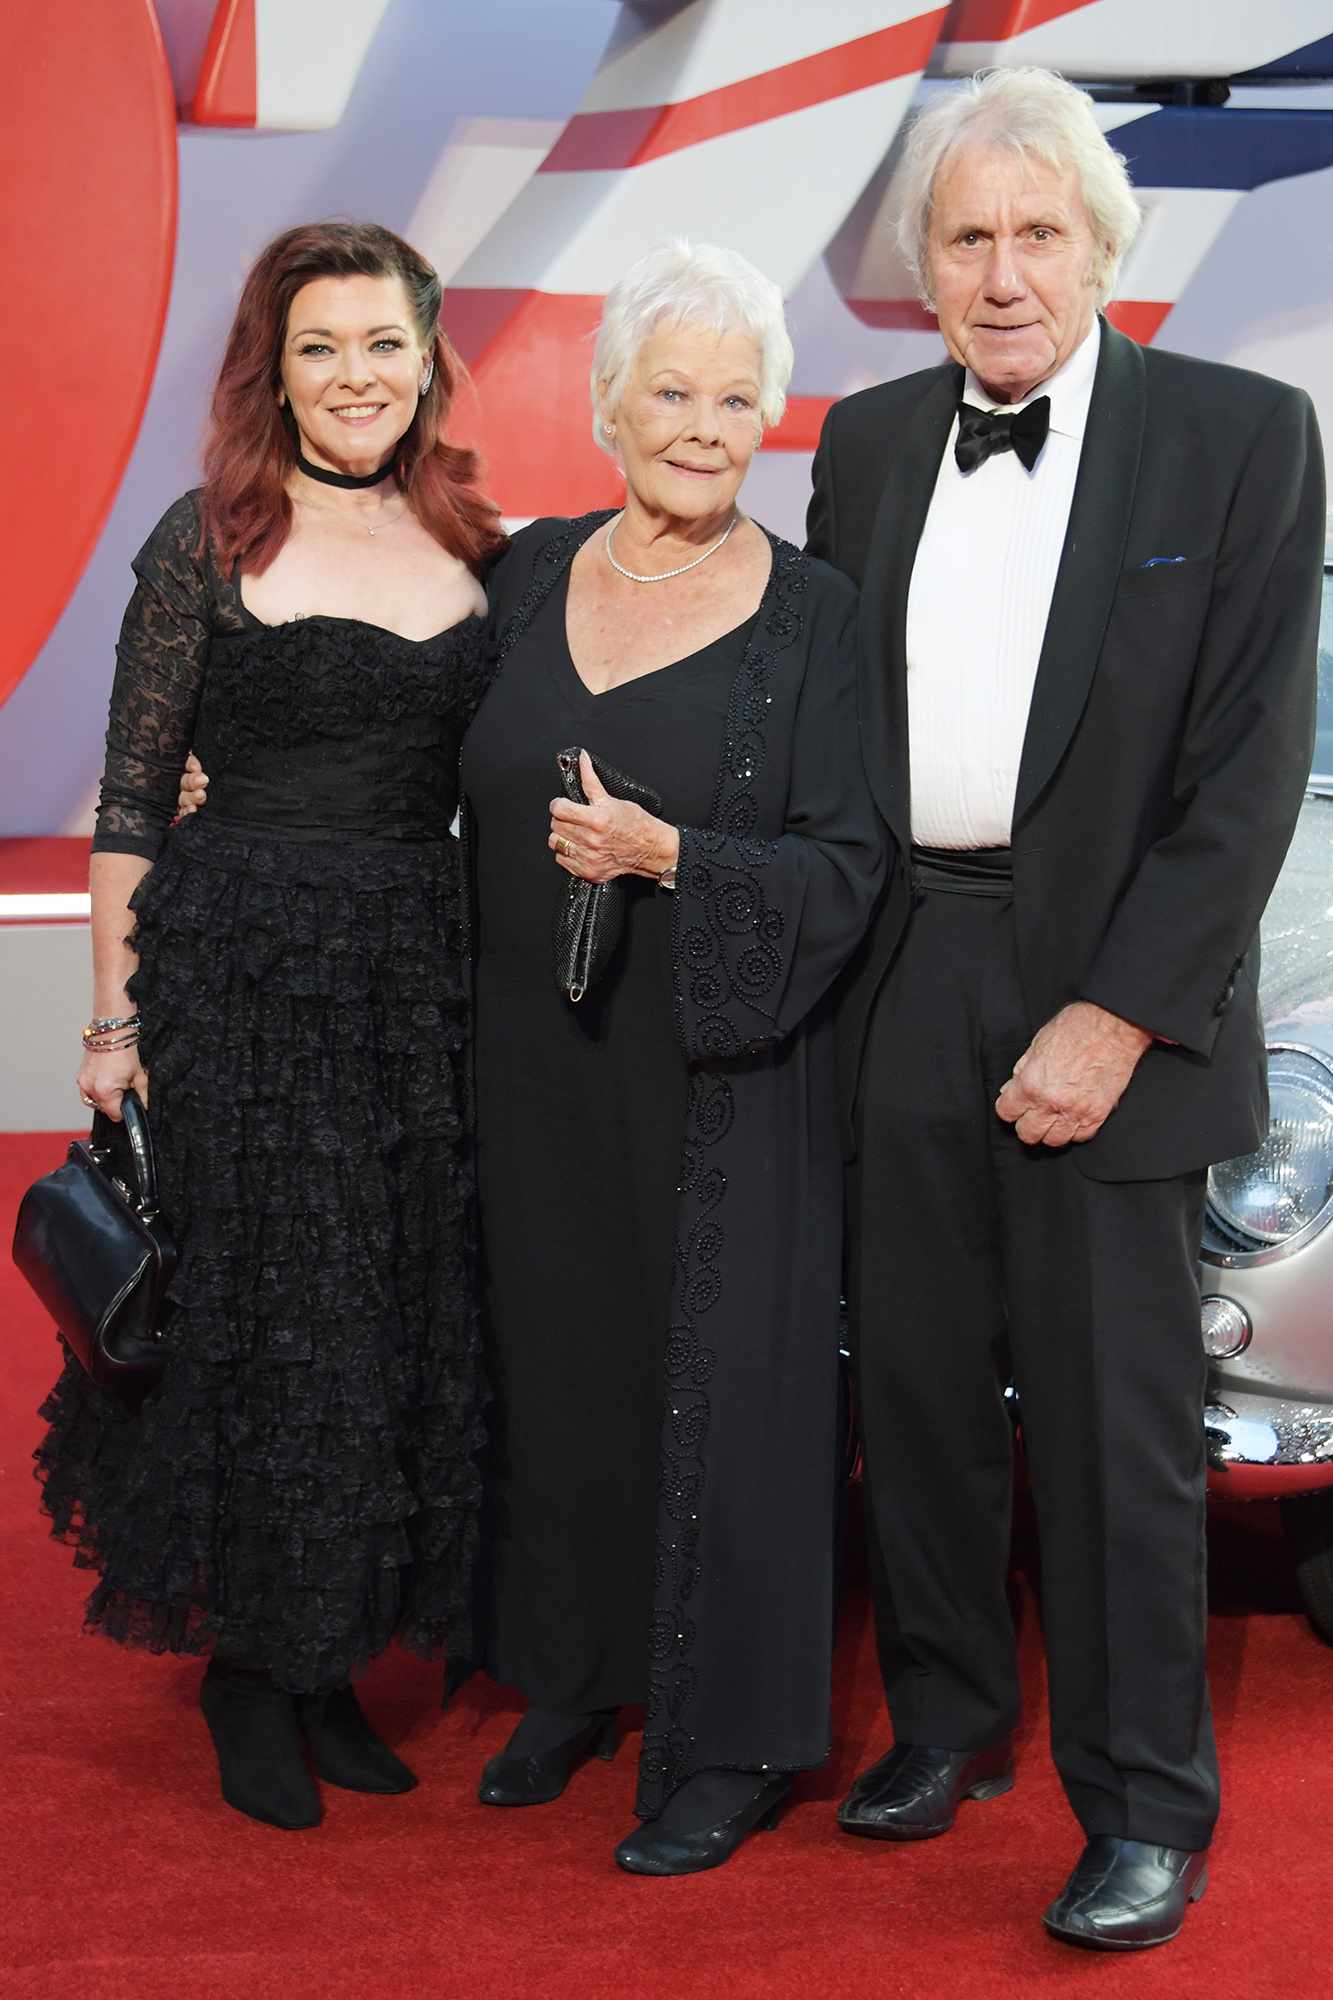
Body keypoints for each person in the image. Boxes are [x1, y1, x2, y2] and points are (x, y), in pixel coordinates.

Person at [807, 67, 1325, 1949]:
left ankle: (1143, 1810)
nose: (1003, 269)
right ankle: (947, 1726)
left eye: (1037, 233)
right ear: (925, 272)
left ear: (1104, 248)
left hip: (1112, 985)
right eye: (967, 236)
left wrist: (1117, 1010)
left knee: (1116, 1428)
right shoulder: (863, 450)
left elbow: (1245, 774)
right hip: (904, 968)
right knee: (924, 1388)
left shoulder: (1243, 435)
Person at [35, 221, 503, 1831]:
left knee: (380, 1317)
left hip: (409, 989)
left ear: (428, 358)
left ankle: (328, 1665)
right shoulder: (208, 538)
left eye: (382, 343)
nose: (354, 376)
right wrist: (110, 1028)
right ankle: (248, 1670)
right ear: (275, 369)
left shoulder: (476, 544)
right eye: (319, 347)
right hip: (236, 979)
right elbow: (126, 801)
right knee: (257, 1315)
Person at [463, 239, 884, 1874]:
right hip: (531, 1055)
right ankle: (567, 1676)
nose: (702, 425)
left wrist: (676, 863)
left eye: (734, 397)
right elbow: (414, 753)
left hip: (728, 1071)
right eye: (670, 391)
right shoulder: (522, 574)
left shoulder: (814, 614)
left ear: (769, 418)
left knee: (735, 1390)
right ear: (606, 406)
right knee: (555, 1360)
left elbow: (854, 860)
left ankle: (732, 1740)